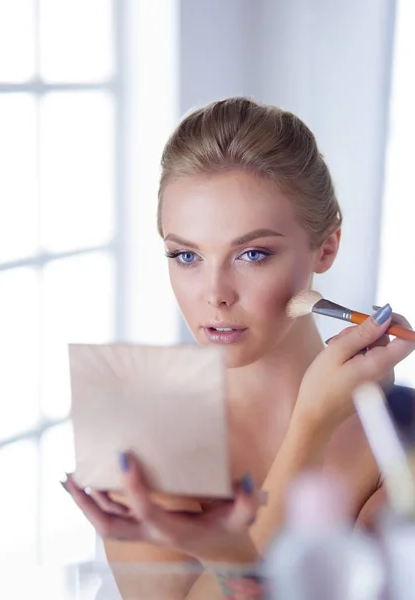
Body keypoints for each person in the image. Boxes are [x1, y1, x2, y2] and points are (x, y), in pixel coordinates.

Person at [63, 97, 415, 599]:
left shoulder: (391, 423)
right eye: (186, 255)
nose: (215, 293)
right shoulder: (133, 410)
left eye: (252, 254)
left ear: (327, 247)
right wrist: (309, 427)